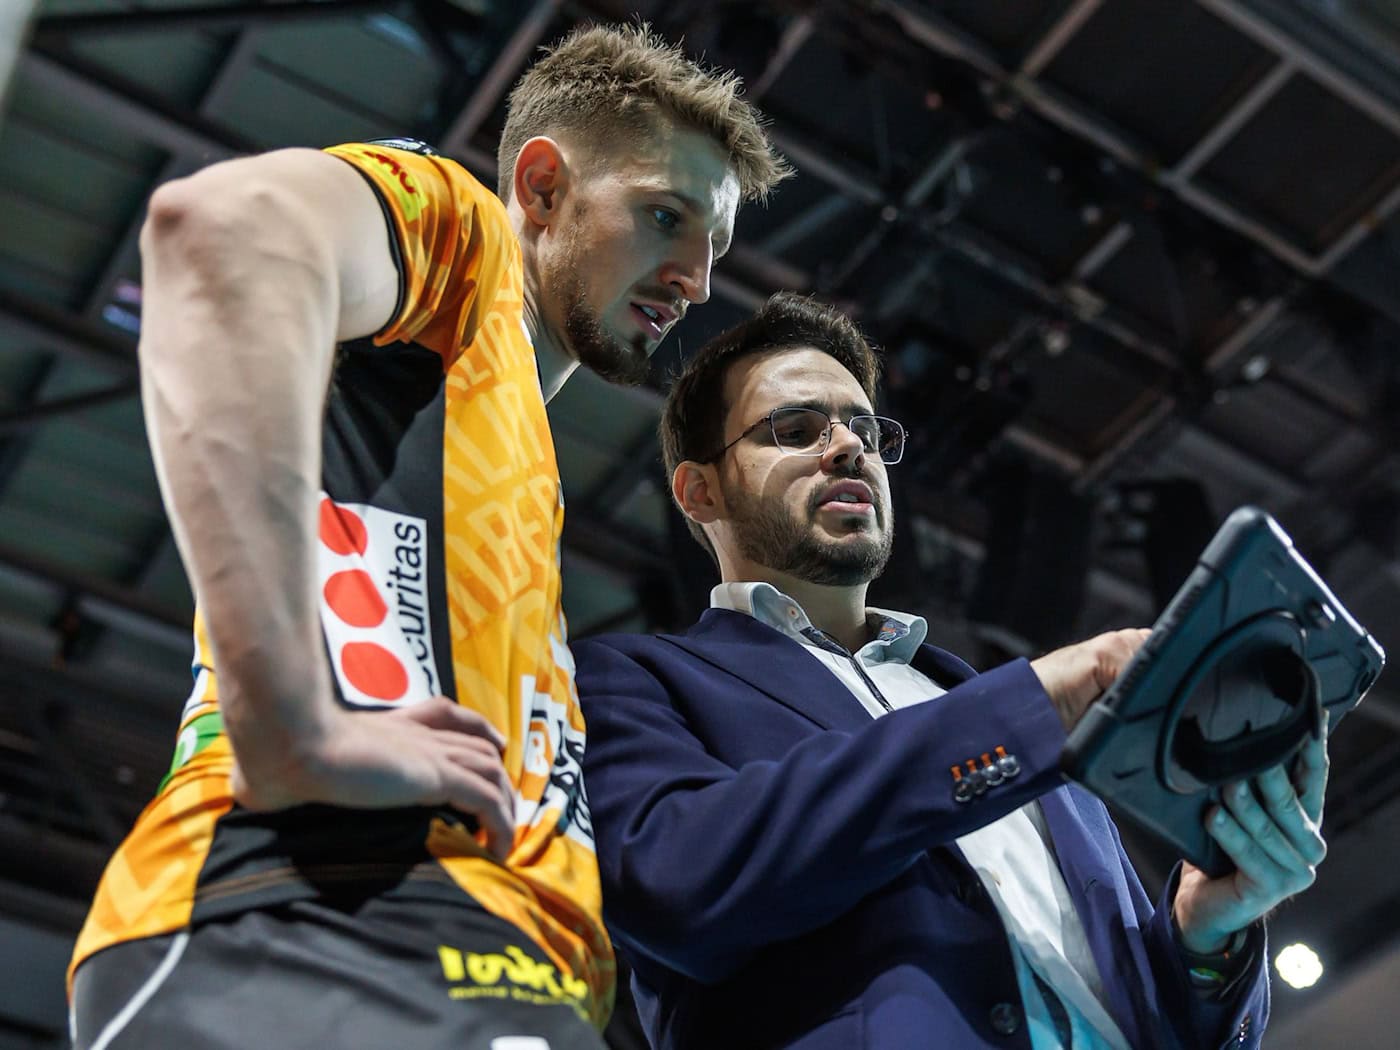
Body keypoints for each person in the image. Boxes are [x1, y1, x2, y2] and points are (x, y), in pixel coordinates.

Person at [67, 24, 788, 1050]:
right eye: (661, 216)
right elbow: (220, 227)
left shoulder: (509, 457)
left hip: (473, 956)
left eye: (709, 247)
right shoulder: (464, 243)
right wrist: (290, 726)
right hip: (330, 916)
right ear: (540, 188)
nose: (693, 278)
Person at [573, 292, 1329, 1050]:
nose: (847, 449)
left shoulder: (997, 714)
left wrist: (1207, 939)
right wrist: (1040, 699)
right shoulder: (633, 678)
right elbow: (675, 887)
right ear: (699, 490)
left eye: (865, 429)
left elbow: (1153, 1013)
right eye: (795, 430)